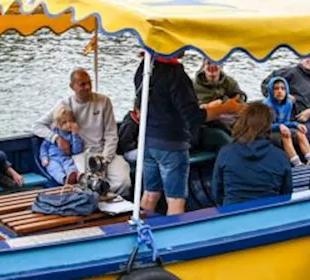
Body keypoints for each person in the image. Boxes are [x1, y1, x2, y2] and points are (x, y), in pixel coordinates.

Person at [32, 68, 132, 198]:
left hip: (104, 152)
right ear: (72, 86)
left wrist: (104, 160)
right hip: (80, 154)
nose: (88, 87)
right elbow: (37, 126)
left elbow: (111, 135)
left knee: (124, 181)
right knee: (88, 184)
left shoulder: (104, 101)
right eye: (82, 84)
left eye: (89, 83)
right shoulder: (65, 104)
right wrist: (56, 138)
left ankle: (116, 206)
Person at [134, 55, 207, 216]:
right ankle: (173, 237)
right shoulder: (175, 73)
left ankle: (141, 231)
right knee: (175, 199)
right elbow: (194, 116)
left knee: (150, 194)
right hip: (171, 144)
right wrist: (226, 108)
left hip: (148, 141)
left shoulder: (145, 67)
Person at [211, 101, 293, 206]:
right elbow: (286, 194)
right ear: (268, 126)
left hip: (232, 215)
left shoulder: (225, 153)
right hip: (269, 215)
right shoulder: (280, 156)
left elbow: (217, 193)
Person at [262, 48, 310, 153]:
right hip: (298, 122)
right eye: (309, 55)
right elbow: (266, 85)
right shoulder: (290, 72)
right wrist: (284, 97)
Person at [192, 60, 246, 150]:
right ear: (203, 66)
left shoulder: (230, 82)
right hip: (206, 126)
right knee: (226, 141)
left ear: (221, 66)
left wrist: (222, 102)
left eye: (216, 63)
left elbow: (240, 101)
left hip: (230, 120)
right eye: (209, 63)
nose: (212, 67)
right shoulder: (192, 85)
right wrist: (206, 106)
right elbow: (188, 110)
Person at [263, 76, 310, 166]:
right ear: (271, 91)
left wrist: (296, 125)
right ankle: (297, 163)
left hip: (283, 128)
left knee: (300, 133)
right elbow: (265, 126)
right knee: (286, 135)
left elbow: (286, 122)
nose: (280, 91)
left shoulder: (288, 103)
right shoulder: (266, 105)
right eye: (276, 89)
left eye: (283, 88)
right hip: (269, 132)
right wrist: (279, 126)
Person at [38, 106, 85, 185]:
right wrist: (44, 158)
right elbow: (44, 147)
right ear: (58, 124)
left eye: (71, 121)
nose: (69, 124)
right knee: (54, 169)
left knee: (70, 165)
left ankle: (75, 177)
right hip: (52, 158)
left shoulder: (72, 135)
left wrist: (75, 135)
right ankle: (63, 179)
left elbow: (76, 150)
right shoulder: (53, 132)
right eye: (65, 122)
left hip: (66, 157)